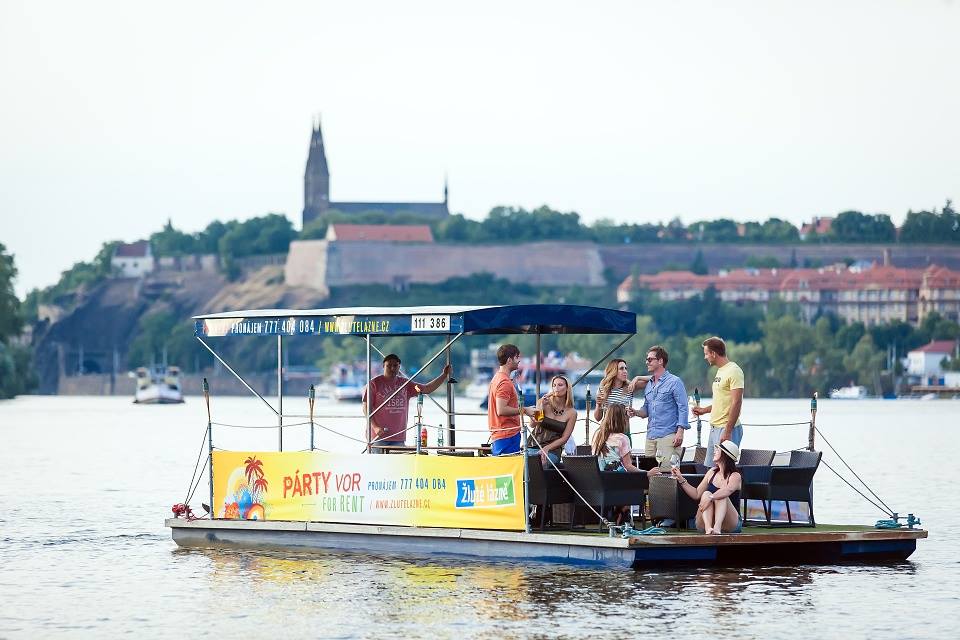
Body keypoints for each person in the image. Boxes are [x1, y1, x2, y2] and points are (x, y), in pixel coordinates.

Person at [361, 354, 451, 453]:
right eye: (389, 365)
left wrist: (444, 375)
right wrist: (375, 427)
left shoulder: (405, 384)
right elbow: (366, 407)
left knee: (399, 462)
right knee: (379, 462)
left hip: (398, 437)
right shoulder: (374, 384)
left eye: (395, 366)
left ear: (399, 367)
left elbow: (427, 389)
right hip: (378, 437)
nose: (392, 368)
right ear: (383, 366)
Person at [590, 404, 661, 523]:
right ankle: (624, 511)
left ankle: (620, 512)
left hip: (599, 481)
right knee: (640, 480)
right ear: (622, 419)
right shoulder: (622, 438)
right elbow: (628, 466)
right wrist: (647, 473)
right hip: (618, 481)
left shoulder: (597, 435)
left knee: (626, 479)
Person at [634, 345, 689, 471]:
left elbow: (683, 407)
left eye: (650, 359)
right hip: (650, 437)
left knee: (667, 473)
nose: (647, 362)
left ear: (660, 361)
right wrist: (635, 412)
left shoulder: (675, 382)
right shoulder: (649, 384)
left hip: (668, 436)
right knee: (649, 474)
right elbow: (646, 409)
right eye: (646, 359)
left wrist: (680, 432)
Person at [692, 336, 744, 465]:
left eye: (706, 354)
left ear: (713, 354)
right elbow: (720, 401)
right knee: (711, 468)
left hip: (727, 428)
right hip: (714, 428)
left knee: (724, 469)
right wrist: (704, 410)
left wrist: (727, 431)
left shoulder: (734, 371)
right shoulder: (720, 371)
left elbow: (737, 402)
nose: (705, 357)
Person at [672, 440, 743, 534]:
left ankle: (717, 527)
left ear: (725, 455)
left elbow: (728, 490)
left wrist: (711, 498)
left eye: (717, 450)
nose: (714, 452)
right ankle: (708, 528)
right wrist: (680, 479)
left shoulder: (735, 476)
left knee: (721, 495)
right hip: (706, 522)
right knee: (706, 493)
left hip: (730, 523)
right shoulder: (712, 472)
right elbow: (697, 494)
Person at [487, 344, 537, 455]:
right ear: (509, 360)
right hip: (506, 435)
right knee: (507, 464)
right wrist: (525, 410)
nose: (519, 360)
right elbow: (501, 410)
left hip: (502, 434)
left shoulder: (497, 378)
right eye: (517, 357)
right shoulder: (504, 382)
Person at [528, 375, 577, 467]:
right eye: (554, 385)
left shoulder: (572, 413)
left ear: (567, 388)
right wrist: (541, 408)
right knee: (524, 464)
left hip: (553, 451)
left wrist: (546, 448)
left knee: (539, 465)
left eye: (560, 385)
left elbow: (564, 438)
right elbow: (532, 424)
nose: (556, 388)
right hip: (532, 445)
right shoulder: (542, 402)